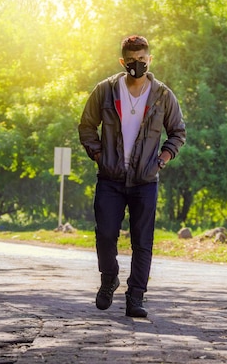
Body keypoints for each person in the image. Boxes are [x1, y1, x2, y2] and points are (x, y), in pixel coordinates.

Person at [78, 35, 186, 317]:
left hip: (145, 180)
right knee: (105, 235)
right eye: (131, 60)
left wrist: (162, 160)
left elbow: (178, 132)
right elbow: (87, 125)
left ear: (149, 59)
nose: (137, 64)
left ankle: (135, 297)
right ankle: (108, 278)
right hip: (110, 178)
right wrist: (99, 155)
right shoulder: (106, 90)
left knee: (142, 241)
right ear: (122, 61)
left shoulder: (163, 95)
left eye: (142, 59)